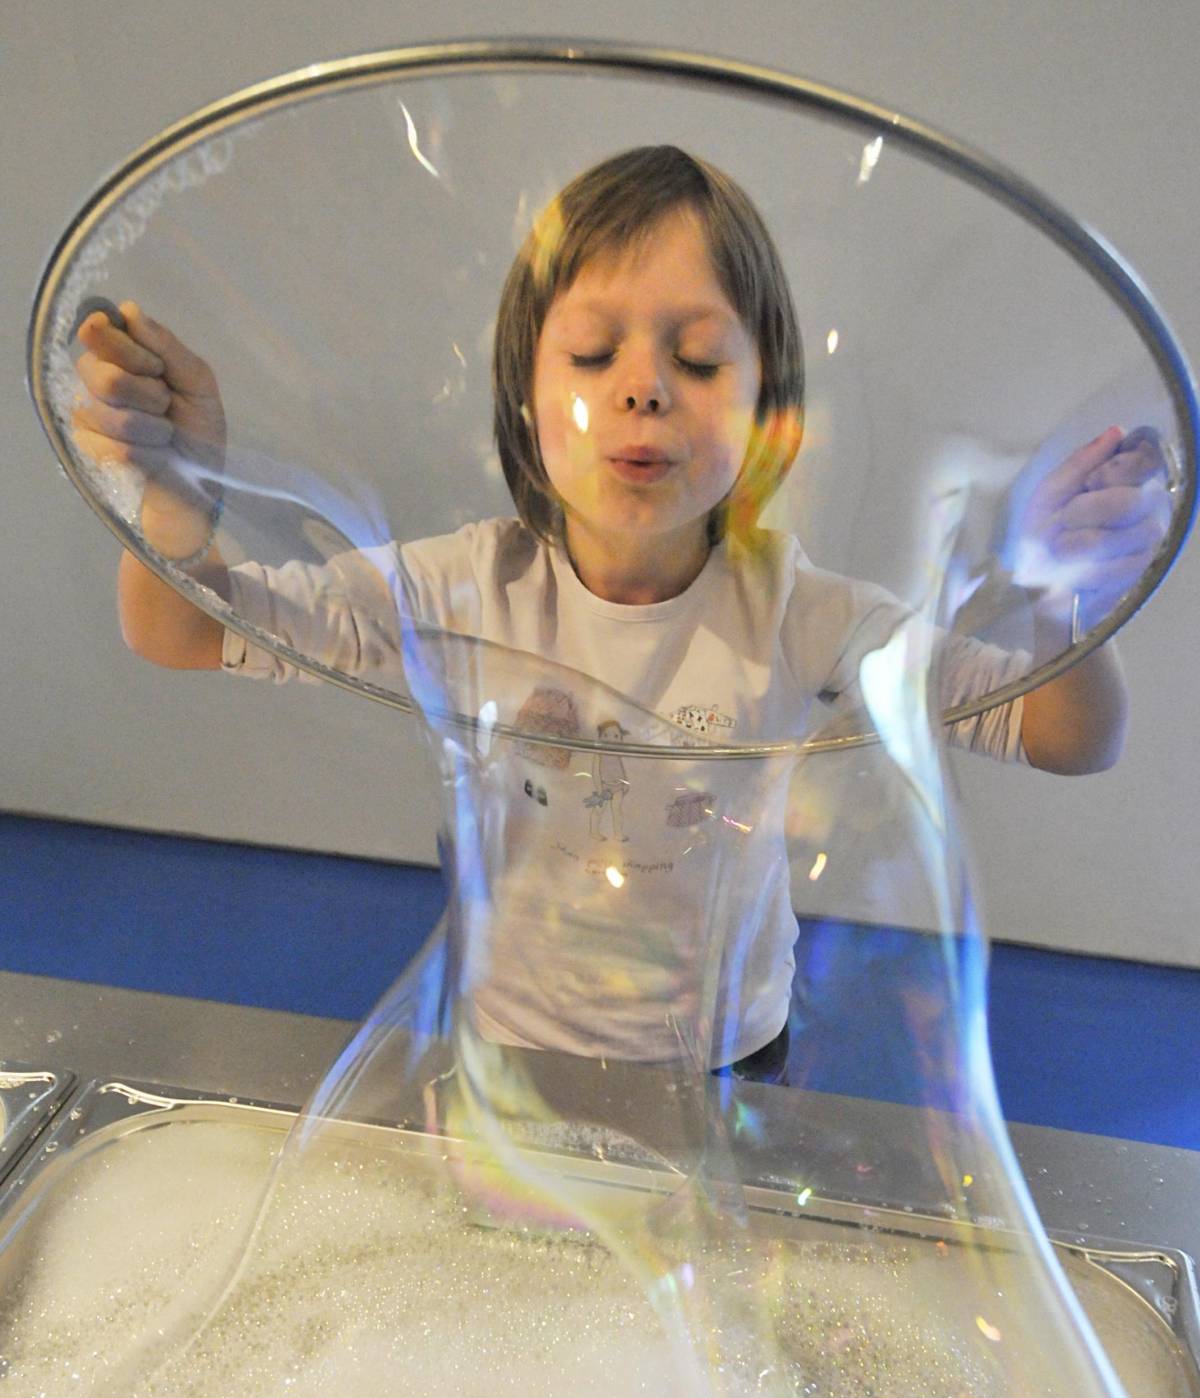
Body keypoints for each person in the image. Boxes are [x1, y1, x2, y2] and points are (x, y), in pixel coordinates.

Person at [71, 146, 1169, 1076]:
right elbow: (179, 630)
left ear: (767, 410)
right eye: (594, 353)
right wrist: (171, 500)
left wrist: (1062, 596)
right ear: (525, 394)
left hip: (733, 1058)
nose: (641, 386)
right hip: (510, 1055)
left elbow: (1072, 735)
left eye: (696, 357)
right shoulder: (457, 591)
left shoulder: (800, 614)